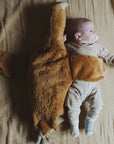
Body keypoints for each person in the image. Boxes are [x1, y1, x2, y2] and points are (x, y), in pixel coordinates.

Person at [64, 18, 114, 137]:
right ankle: (74, 124)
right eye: (91, 31)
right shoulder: (72, 46)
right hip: (76, 86)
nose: (95, 33)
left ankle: (90, 120)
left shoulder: (97, 47)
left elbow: (108, 56)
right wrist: (61, 41)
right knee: (71, 106)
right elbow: (59, 51)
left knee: (98, 105)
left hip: (94, 84)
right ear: (78, 36)